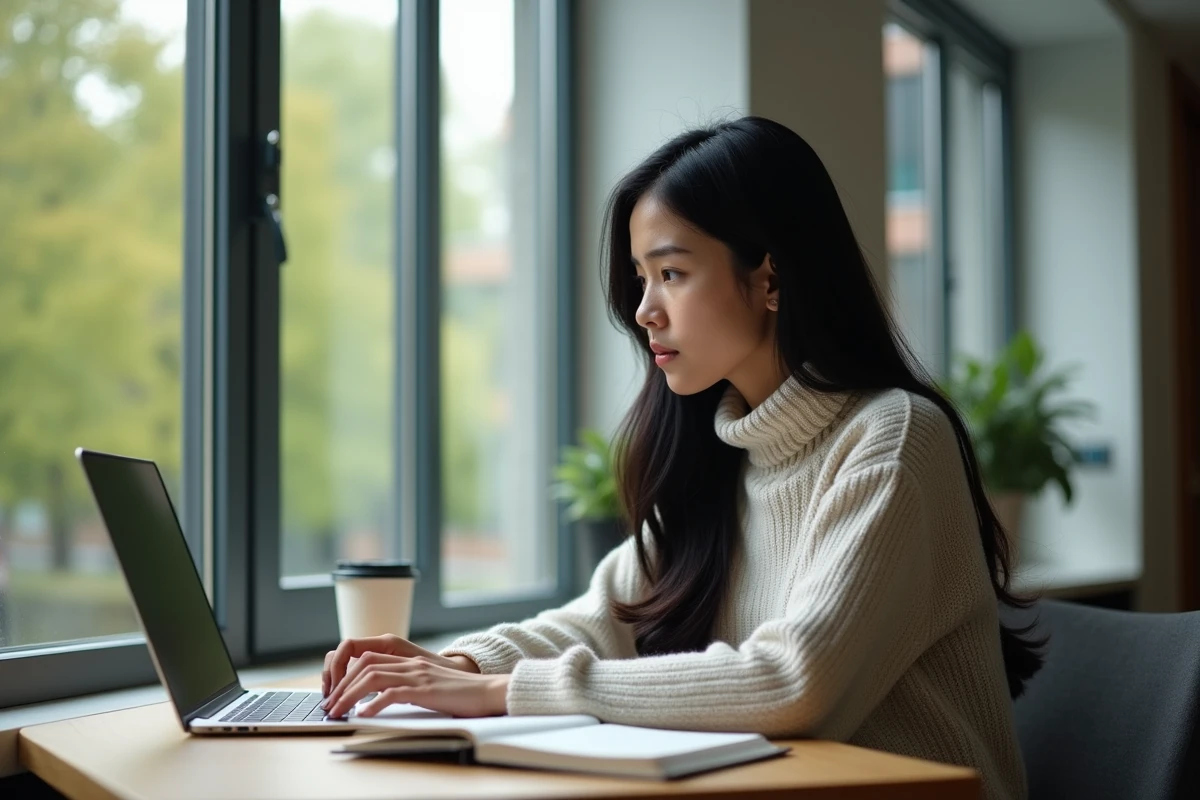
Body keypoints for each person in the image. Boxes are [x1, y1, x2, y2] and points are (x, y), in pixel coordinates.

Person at [321, 116, 1041, 800]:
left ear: (770, 278)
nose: (644, 310)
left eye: (671, 273)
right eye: (641, 277)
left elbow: (795, 683)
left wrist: (502, 692)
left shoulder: (892, 439)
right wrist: (453, 664)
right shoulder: (724, 451)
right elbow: (603, 619)